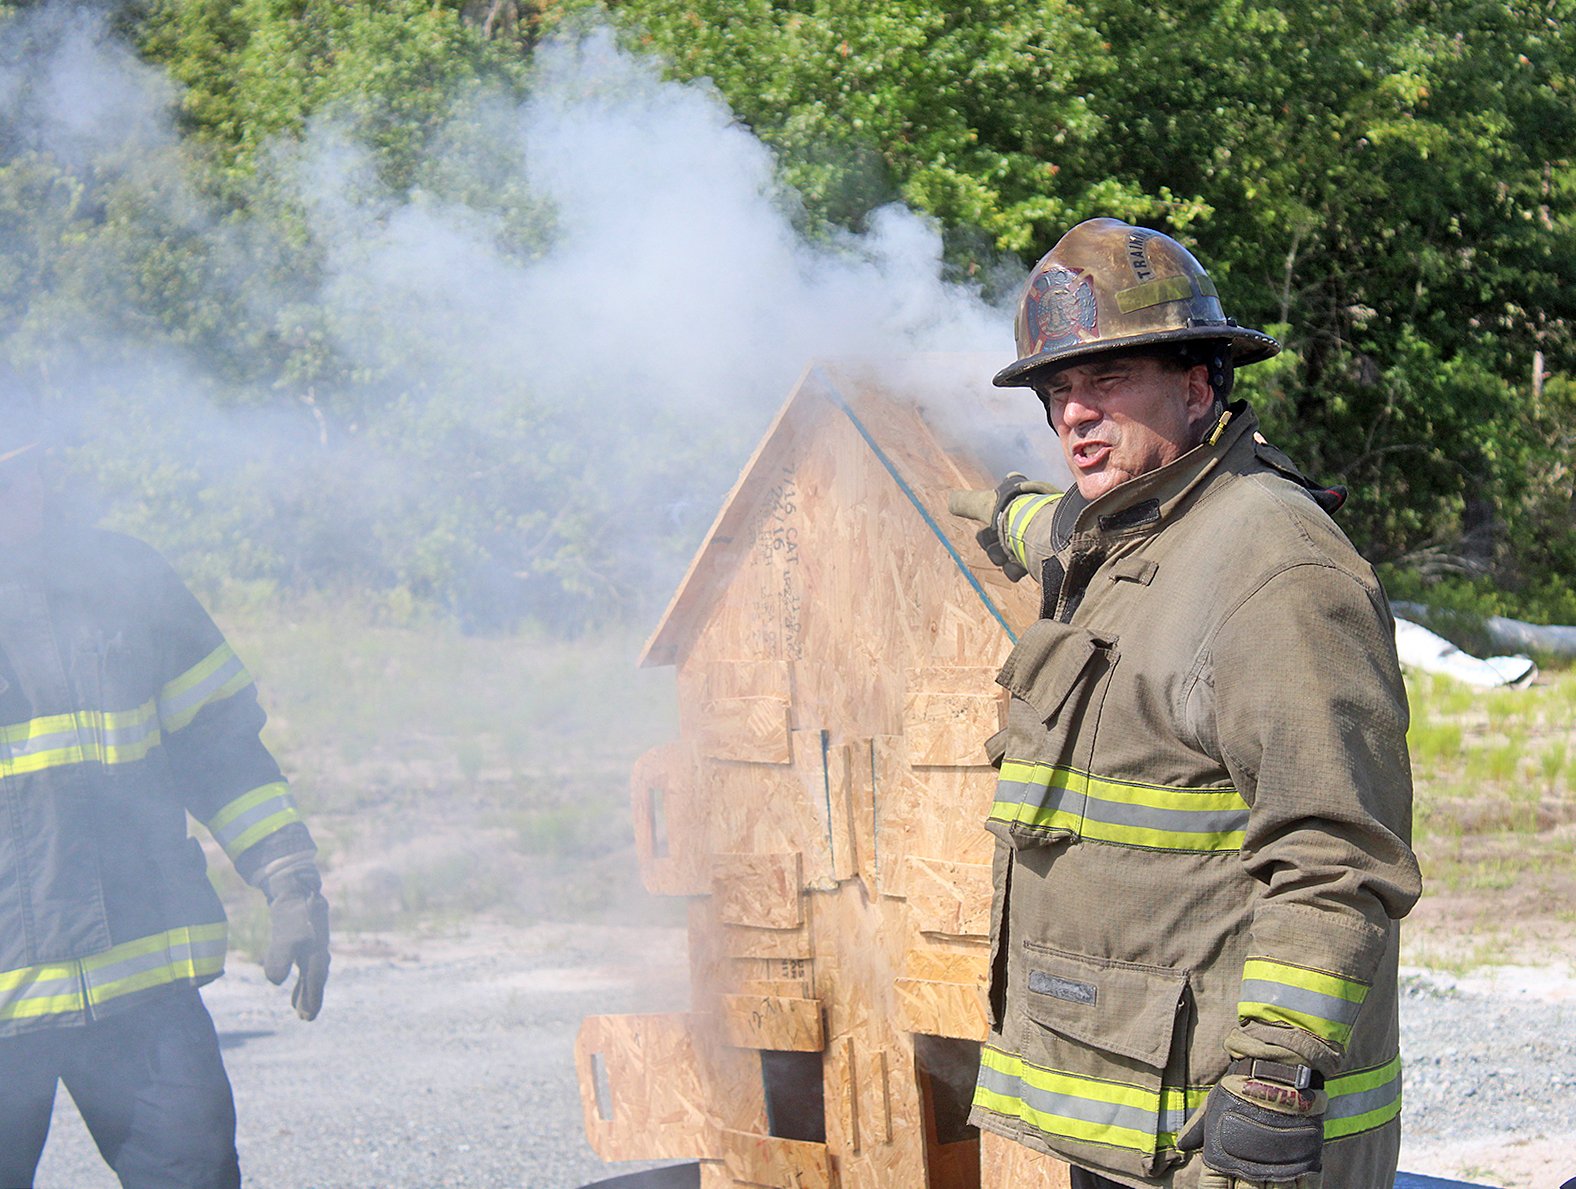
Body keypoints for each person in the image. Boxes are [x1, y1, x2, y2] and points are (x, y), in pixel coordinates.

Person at [952, 218, 1420, 1188]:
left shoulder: (1276, 566)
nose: (1075, 415)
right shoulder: (1137, 524)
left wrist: (1275, 1078)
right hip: (1131, 1116)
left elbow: (1337, 850)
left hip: (1231, 1132)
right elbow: (1071, 534)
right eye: (1057, 392)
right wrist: (1009, 513)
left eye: (1108, 381)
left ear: (1199, 382)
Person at [0, 393, 330, 1189]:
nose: (19, 496)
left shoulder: (126, 580)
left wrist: (289, 880)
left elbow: (221, 747)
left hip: (142, 991)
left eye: (21, 473)